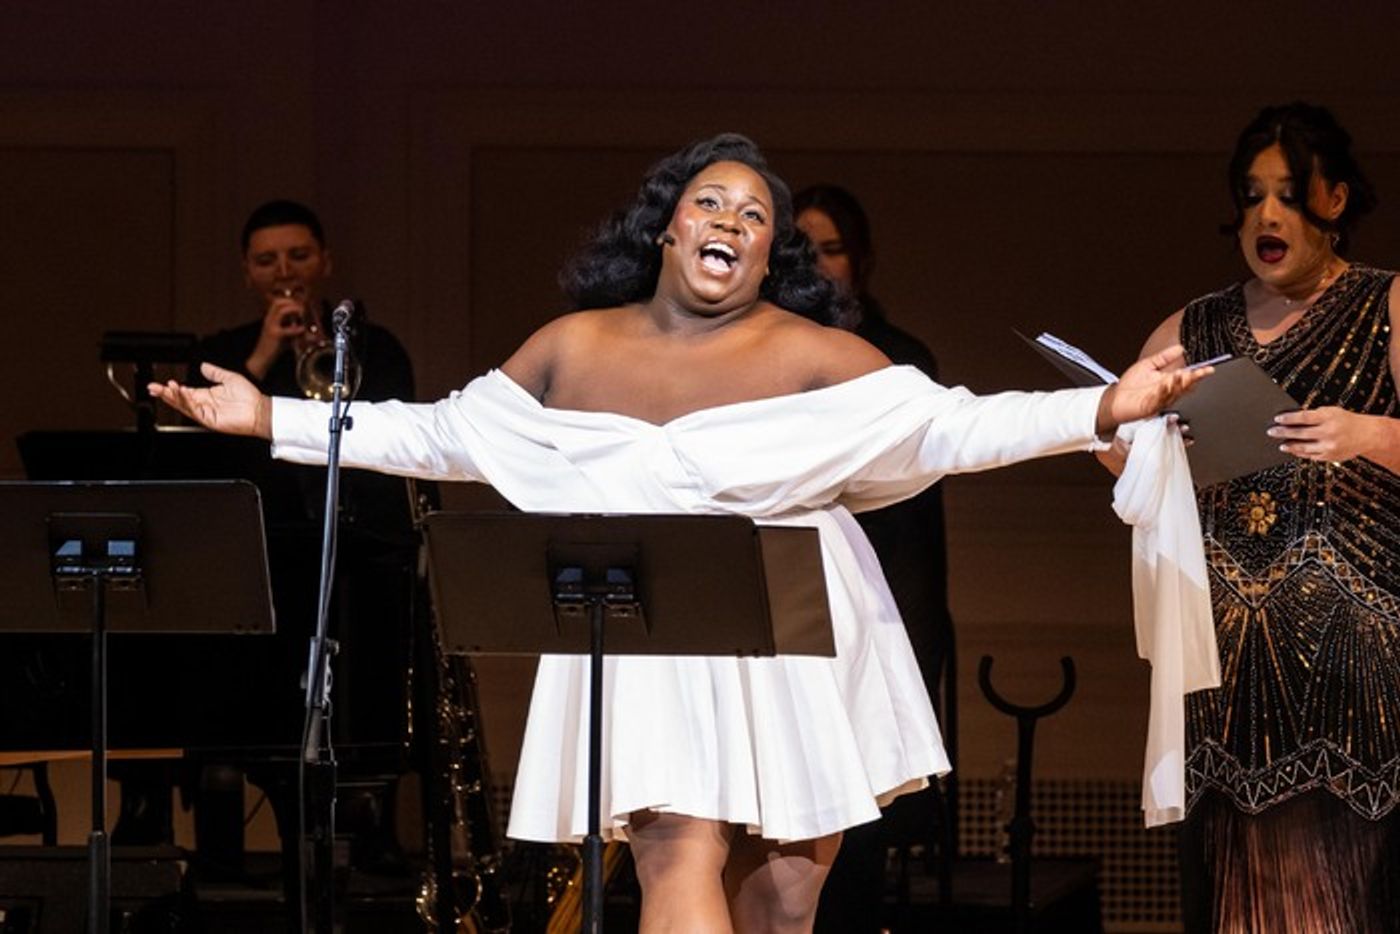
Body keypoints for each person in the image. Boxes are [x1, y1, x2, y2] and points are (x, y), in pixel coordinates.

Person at [152, 133, 1204, 932]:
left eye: (754, 215)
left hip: (791, 626)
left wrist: (1100, 408)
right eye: (710, 201)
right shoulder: (572, 346)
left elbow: (957, 425)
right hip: (645, 620)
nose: (730, 220)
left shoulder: (816, 353)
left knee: (784, 896)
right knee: (675, 856)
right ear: (666, 227)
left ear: (768, 252)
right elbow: (443, 436)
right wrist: (271, 417)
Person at [1098, 103, 1400, 933]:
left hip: (1350, 670)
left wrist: (1371, 434)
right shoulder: (1194, 327)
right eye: (1253, 195)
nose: (1267, 215)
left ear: (1335, 200)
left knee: (1333, 894)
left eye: (1290, 195)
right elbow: (1129, 456)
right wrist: (1130, 453)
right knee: (1237, 891)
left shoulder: (1385, 306)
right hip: (1222, 667)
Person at [795, 184, 953, 932]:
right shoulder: (755, 357)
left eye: (832, 249)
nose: (817, 266)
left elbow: (917, 548)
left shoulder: (896, 362)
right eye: (803, 250)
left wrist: (911, 663)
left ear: (860, 260)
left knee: (854, 848)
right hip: (784, 628)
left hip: (866, 626)